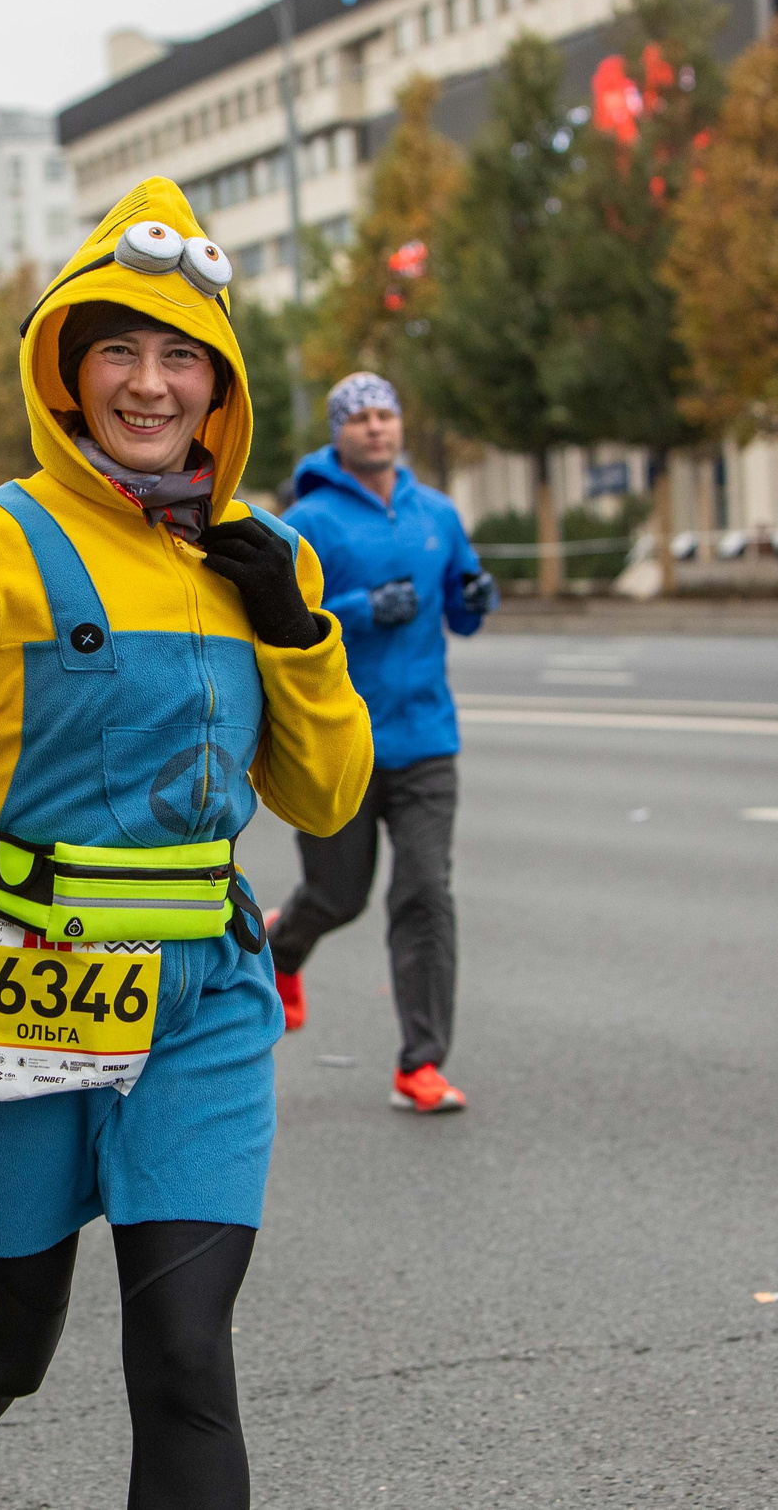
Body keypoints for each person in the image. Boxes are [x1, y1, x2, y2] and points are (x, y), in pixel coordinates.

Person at [0, 179, 371, 1510]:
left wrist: (296, 629)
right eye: (121, 349)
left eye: (182, 357)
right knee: (10, 1347)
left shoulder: (266, 552)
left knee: (184, 1352)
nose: (151, 384)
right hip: (23, 973)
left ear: (221, 387)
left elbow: (328, 799)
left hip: (199, 995)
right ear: (65, 363)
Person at [265, 373, 498, 1114]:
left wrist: (474, 601)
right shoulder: (311, 520)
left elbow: (459, 615)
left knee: (426, 894)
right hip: (339, 740)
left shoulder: (439, 513)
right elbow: (280, 619)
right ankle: (283, 946)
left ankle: (421, 1064)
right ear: (337, 432)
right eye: (359, 417)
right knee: (338, 895)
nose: (375, 427)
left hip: (428, 737)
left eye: (385, 413)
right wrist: (362, 608)